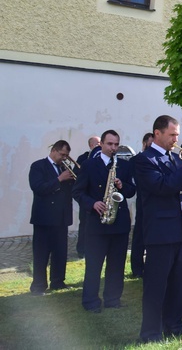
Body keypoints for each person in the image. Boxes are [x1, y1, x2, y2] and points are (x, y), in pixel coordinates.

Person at [131, 115, 182, 342]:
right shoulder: (144, 160)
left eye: (177, 134)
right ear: (157, 133)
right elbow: (163, 187)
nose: (176, 139)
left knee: (180, 284)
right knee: (156, 286)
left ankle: (175, 324)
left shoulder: (175, 158)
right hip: (161, 232)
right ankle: (151, 333)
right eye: (172, 134)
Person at [72, 130, 136, 312]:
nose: (113, 148)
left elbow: (132, 191)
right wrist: (93, 204)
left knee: (117, 265)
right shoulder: (88, 165)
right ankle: (91, 302)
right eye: (110, 144)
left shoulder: (124, 165)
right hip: (97, 224)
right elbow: (77, 192)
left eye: (116, 144)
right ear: (101, 144)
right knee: (94, 266)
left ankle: (113, 299)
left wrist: (123, 186)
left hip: (119, 223)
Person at [28, 140, 75, 295]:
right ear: (54, 150)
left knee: (60, 251)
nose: (64, 158)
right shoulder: (38, 166)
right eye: (62, 155)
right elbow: (38, 188)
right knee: (41, 253)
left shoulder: (64, 168)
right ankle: (38, 285)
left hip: (61, 217)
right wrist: (59, 179)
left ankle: (58, 281)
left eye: (66, 156)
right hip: (44, 218)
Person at [130, 132, 153, 279]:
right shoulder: (136, 160)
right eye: (150, 144)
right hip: (143, 200)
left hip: (155, 202)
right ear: (144, 144)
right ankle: (137, 267)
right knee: (139, 234)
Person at [75, 136, 101, 258]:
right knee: (84, 223)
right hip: (86, 196)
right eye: (96, 143)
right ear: (90, 145)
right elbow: (76, 174)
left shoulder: (102, 156)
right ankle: (82, 249)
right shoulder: (83, 158)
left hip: (99, 196)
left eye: (100, 143)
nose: (99, 145)